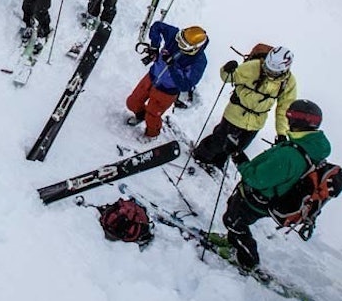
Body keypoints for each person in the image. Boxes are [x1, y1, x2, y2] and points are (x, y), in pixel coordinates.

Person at [222, 99, 329, 269]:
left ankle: (248, 260)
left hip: (259, 199)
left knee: (233, 221)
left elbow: (257, 179)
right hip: (277, 195)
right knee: (235, 217)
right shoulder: (312, 145)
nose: (287, 119)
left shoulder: (290, 155)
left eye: (290, 116)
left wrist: (238, 157)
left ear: (296, 121)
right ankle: (235, 242)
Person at [191, 45, 297, 172]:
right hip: (235, 114)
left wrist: (282, 133)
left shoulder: (288, 83)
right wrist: (226, 69)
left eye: (273, 71)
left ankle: (217, 162)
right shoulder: (253, 67)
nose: (268, 71)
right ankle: (201, 155)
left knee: (238, 148)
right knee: (219, 141)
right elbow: (228, 77)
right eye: (267, 67)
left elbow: (284, 109)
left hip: (256, 123)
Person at [126, 24, 209, 139]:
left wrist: (173, 67)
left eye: (183, 45)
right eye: (179, 40)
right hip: (152, 77)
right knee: (132, 102)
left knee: (153, 116)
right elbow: (157, 26)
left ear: (194, 48)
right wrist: (155, 47)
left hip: (166, 91)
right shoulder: (174, 35)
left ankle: (151, 135)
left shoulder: (199, 62)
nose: (178, 45)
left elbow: (186, 85)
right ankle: (140, 115)